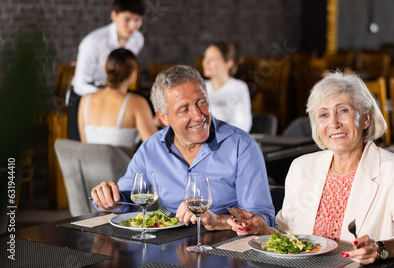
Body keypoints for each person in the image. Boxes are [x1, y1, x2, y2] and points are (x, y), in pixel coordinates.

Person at [227, 71, 394, 265]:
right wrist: (263, 229)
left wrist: (379, 249)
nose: (333, 123)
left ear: (366, 119)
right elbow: (288, 236)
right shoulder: (301, 167)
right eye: (323, 114)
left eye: (343, 110)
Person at [90, 65, 275, 231]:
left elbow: (263, 220)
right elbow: (126, 200)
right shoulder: (150, 149)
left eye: (202, 102)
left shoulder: (242, 146)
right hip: (168, 249)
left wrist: (217, 219)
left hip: (226, 249)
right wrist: (108, 199)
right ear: (163, 118)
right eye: (184, 110)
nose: (198, 115)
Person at [67, 0, 146, 141]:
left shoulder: (137, 40)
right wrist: (106, 94)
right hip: (84, 95)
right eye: (127, 20)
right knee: (81, 148)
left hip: (113, 93)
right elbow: (80, 83)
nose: (132, 26)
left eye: (137, 20)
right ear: (114, 16)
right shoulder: (93, 42)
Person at [77, 49, 157, 156]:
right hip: (123, 172)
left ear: (105, 69)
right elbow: (155, 147)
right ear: (133, 75)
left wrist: (151, 124)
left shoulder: (85, 100)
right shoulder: (136, 103)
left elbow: (86, 143)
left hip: (90, 172)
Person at [202, 41, 252, 132]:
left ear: (228, 63)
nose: (206, 62)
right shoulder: (201, 87)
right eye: (205, 57)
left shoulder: (238, 87)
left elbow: (243, 126)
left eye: (212, 59)